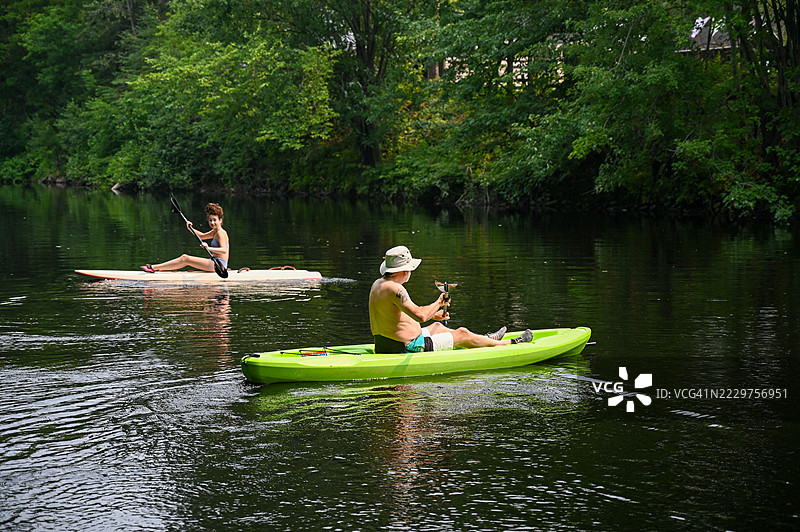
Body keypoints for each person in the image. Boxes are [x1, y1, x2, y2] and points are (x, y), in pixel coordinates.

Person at [369, 245, 533, 354]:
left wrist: (434, 315)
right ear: (405, 271)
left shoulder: (379, 284)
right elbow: (420, 316)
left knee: (437, 326)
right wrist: (439, 302)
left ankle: (486, 339)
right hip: (406, 347)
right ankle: (511, 343)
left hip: (386, 344)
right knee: (462, 333)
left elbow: (393, 315)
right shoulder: (396, 289)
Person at [141, 202, 230, 273]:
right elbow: (202, 236)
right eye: (210, 220)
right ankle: (160, 268)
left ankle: (154, 268)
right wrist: (190, 228)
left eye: (215, 220)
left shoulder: (221, 233)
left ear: (220, 220)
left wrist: (208, 248)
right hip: (215, 263)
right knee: (185, 259)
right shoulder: (215, 232)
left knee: (185, 258)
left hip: (219, 266)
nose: (212, 223)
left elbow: (223, 250)